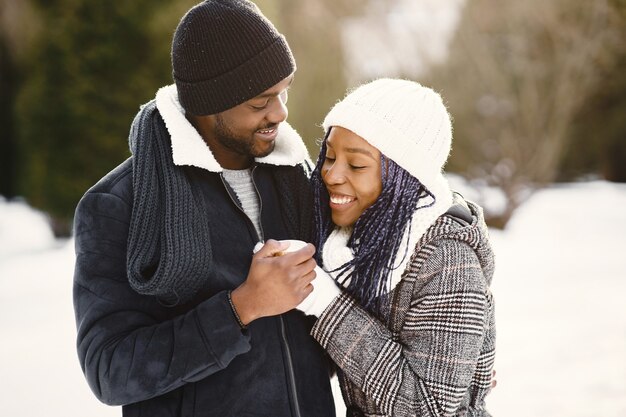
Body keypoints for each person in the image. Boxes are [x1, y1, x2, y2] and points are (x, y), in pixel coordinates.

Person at [72, 1, 336, 416]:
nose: (280, 113)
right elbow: (110, 370)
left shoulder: (296, 180)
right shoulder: (118, 205)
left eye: (283, 93)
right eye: (260, 102)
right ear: (209, 105)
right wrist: (242, 307)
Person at [295, 78, 497, 416]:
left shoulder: (447, 259)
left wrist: (327, 303)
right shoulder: (353, 242)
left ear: (404, 176)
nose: (331, 174)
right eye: (329, 156)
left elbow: (427, 407)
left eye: (356, 165)